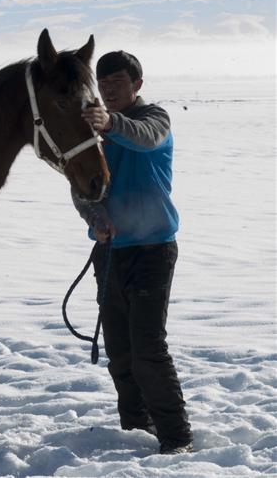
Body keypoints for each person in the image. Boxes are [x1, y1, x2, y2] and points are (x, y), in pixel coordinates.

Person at [73, 50, 193, 455]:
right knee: (120, 353)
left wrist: (109, 123)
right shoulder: (93, 131)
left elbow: (145, 139)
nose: (108, 91)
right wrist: (95, 217)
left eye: (117, 84)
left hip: (154, 250)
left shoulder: (154, 118)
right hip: (109, 254)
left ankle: (176, 437)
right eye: (103, 86)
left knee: (148, 350)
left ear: (137, 85)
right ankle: (135, 429)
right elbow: (81, 186)